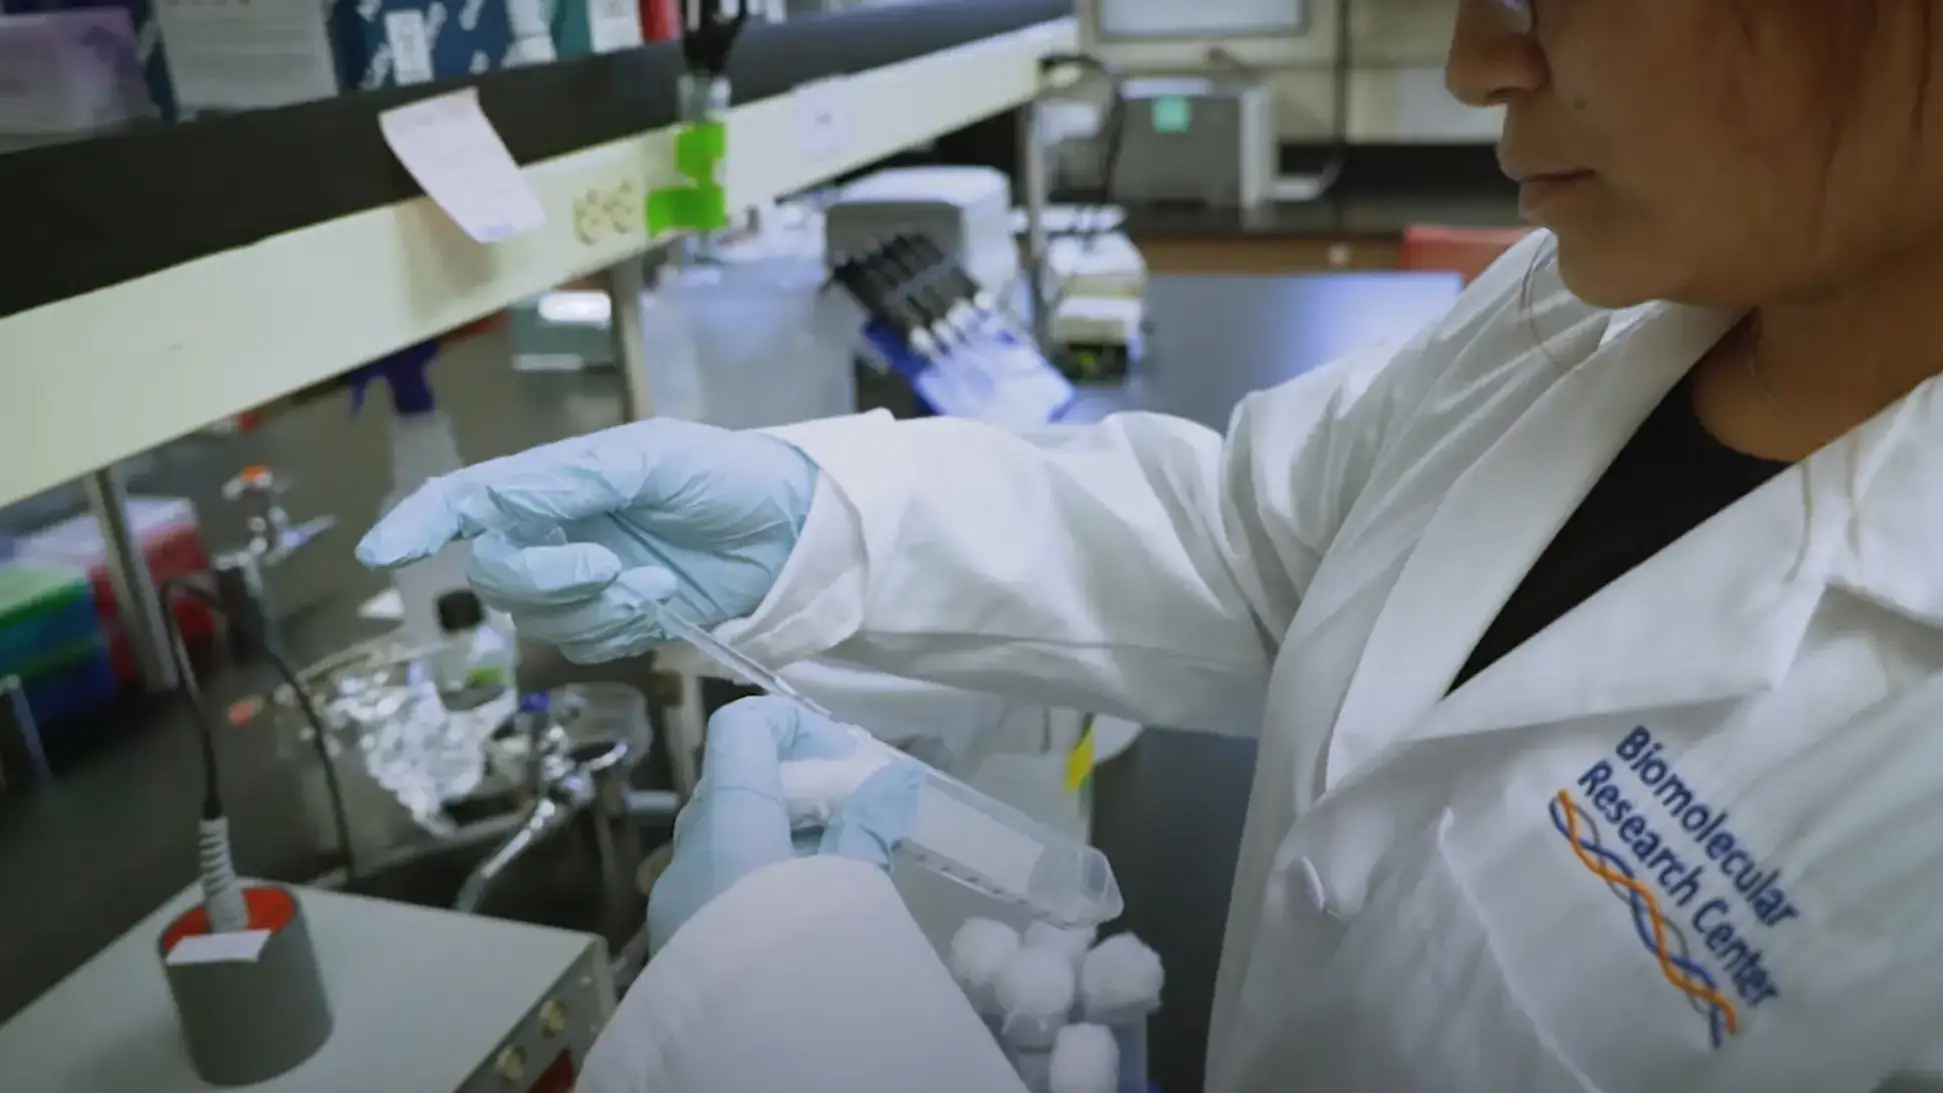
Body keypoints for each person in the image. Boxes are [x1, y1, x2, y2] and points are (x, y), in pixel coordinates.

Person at [359, 1, 1943, 1089]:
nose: (1471, 63)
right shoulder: (1581, 312)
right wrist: (815, 522)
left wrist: (802, 1035)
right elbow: (1252, 543)